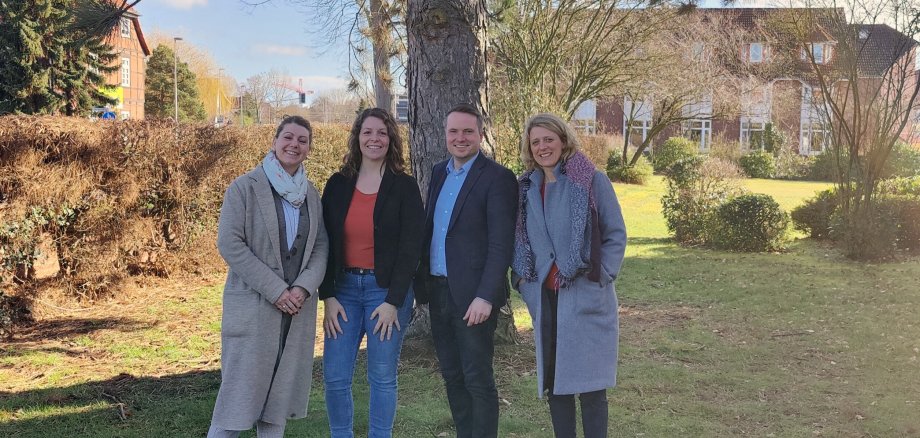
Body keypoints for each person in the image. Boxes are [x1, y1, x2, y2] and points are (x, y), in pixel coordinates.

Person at [207, 115, 328, 438]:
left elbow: (320, 248)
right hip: (254, 308)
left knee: (277, 404)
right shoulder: (245, 188)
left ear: (309, 149)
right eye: (288, 137)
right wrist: (277, 290)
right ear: (274, 142)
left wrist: (302, 288)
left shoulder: (311, 196)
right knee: (236, 402)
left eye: (302, 140)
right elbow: (229, 244)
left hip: (295, 313)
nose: (294, 145)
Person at [511, 113, 626, 438]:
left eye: (549, 139)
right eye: (536, 141)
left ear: (563, 140)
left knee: (591, 390)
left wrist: (600, 274)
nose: (543, 146)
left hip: (584, 299)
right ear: (529, 147)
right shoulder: (525, 188)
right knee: (556, 386)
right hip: (546, 302)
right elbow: (518, 241)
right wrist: (522, 281)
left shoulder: (590, 181)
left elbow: (616, 234)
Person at [414, 103, 518, 438]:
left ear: (480, 134)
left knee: (477, 379)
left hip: (474, 298)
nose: (460, 138)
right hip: (439, 291)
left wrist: (486, 296)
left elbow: (501, 244)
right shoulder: (438, 172)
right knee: (452, 376)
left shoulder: (498, 178)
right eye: (454, 131)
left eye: (468, 131)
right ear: (445, 135)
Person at [320, 108, 424, 438]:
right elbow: (324, 243)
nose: (374, 139)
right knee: (335, 376)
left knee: (381, 375)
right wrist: (329, 296)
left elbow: (412, 247)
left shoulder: (405, 187)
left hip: (387, 293)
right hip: (344, 292)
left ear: (391, 138)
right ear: (357, 137)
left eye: (381, 132)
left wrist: (394, 301)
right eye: (368, 132)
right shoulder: (337, 184)